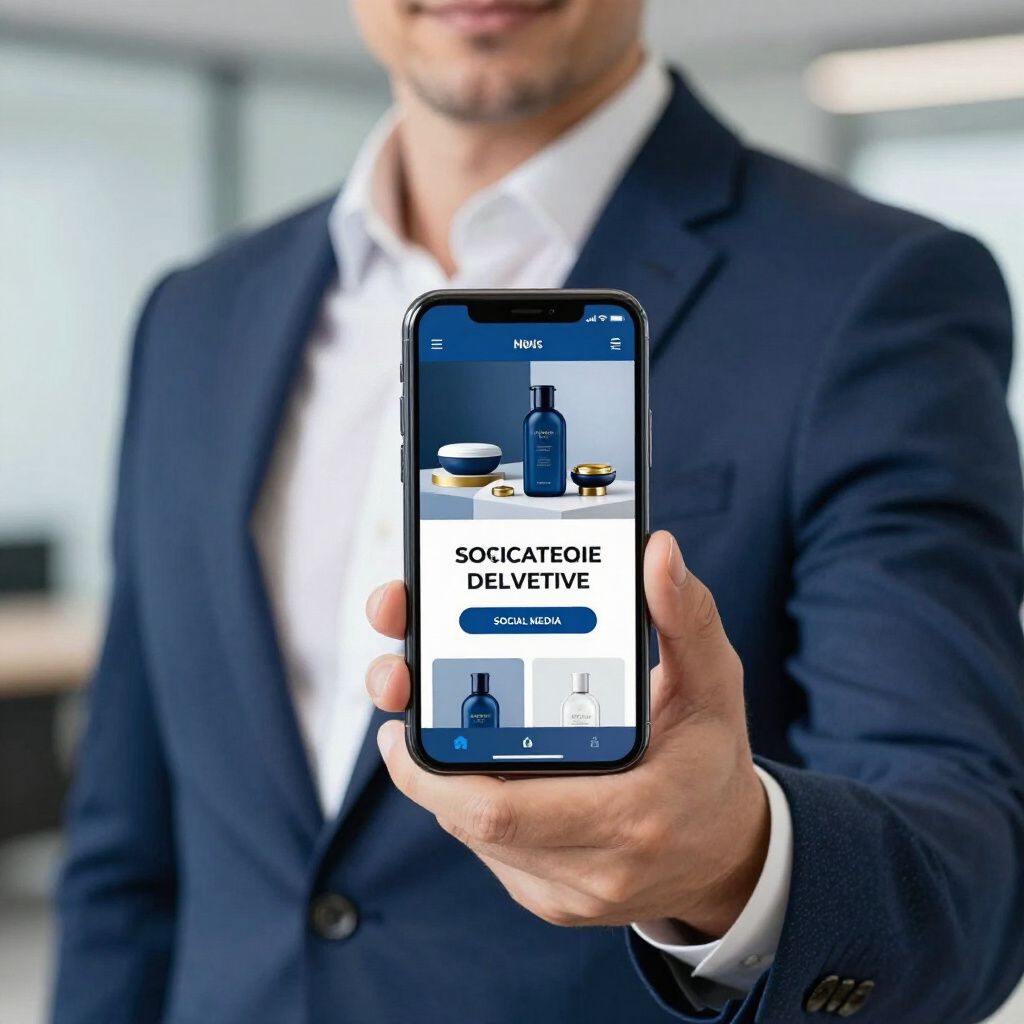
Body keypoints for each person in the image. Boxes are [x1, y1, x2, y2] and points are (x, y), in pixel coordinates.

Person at [53, 1, 1024, 1021]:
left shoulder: (869, 289)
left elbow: (973, 862)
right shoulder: (196, 314)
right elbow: (125, 843)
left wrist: (733, 863)